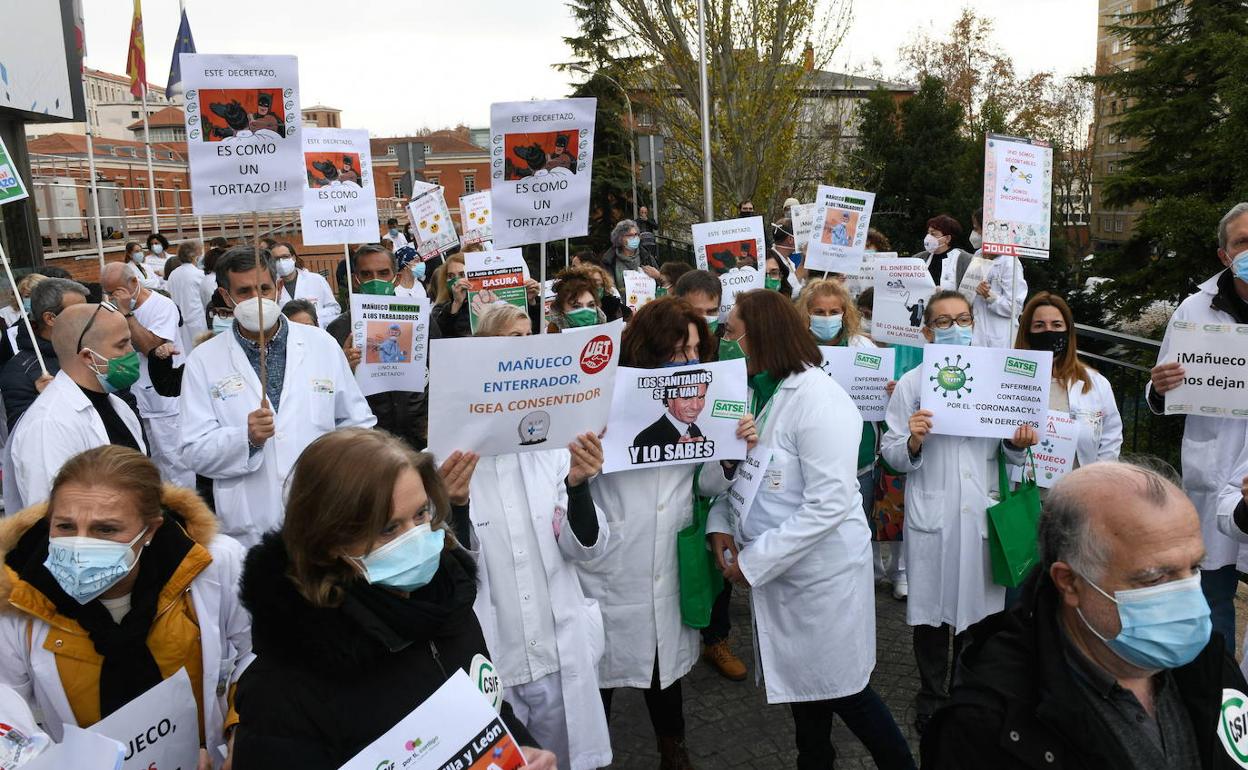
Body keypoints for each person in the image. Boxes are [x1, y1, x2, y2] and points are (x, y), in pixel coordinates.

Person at [230, 428, 556, 770]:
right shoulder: (282, 690)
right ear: (329, 540)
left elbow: (490, 711)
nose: (415, 538)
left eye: (420, 514)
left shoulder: (447, 601)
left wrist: (522, 751)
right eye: (389, 528)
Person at [922, 461, 1246, 770]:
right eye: (1154, 579)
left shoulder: (1209, 661)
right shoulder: (986, 728)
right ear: (1070, 582)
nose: (1186, 597)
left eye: (1194, 568)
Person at [709, 289, 915, 769]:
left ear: (757, 336)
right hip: (785, 576)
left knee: (846, 691)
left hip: (820, 580)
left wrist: (752, 563)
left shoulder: (820, 401)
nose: (725, 339)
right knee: (806, 695)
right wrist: (721, 523)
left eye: (731, 330)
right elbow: (743, 475)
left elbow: (828, 505)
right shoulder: (759, 393)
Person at [576, 297, 755, 768]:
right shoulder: (604, 399)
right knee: (600, 672)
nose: (688, 363)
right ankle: (590, 756)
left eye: (695, 352)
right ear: (648, 352)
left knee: (663, 670)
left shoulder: (704, 405)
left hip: (668, 555)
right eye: (676, 353)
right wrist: (584, 462)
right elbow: (573, 484)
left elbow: (708, 483)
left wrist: (733, 454)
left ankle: (672, 748)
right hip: (612, 558)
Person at [0, 445, 253, 768]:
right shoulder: (18, 595)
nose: (81, 545)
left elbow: (252, 654)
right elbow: (6, 704)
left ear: (150, 530)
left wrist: (239, 736)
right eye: (64, 527)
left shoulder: (213, 565)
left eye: (105, 530)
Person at [451, 303, 613, 770]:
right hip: (492, 656)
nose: (523, 352)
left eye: (530, 340)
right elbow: (452, 569)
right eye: (510, 342)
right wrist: (457, 504)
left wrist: (578, 487)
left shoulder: (555, 449)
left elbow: (585, 547)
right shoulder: (447, 458)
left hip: (558, 655)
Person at [880, 289, 1037, 734]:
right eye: (944, 322)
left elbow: (1009, 460)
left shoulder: (997, 380)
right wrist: (912, 440)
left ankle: (968, 693)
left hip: (979, 513)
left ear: (974, 324)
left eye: (963, 319)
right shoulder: (912, 384)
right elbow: (891, 455)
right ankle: (931, 694)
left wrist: (1015, 444)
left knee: (978, 613)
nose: (955, 328)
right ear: (927, 331)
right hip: (933, 510)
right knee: (930, 613)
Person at [179, 247, 375, 548]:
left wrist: (341, 478)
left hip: (323, 512)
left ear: (278, 287)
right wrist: (245, 439)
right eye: (244, 291)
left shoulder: (320, 344)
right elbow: (193, 450)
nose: (256, 300)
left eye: (264, 289)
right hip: (252, 523)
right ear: (225, 295)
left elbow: (357, 422)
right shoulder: (204, 360)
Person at [1147, 202, 1248, 648]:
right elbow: (1160, 390)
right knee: (1215, 601)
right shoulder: (1195, 309)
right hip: (1215, 474)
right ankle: (1220, 700)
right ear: (1225, 254)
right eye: (1242, 242)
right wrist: (1161, 387)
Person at [797, 279, 907, 598]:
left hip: (859, 461)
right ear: (806, 312)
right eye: (819, 311)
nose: (827, 317)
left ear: (846, 313)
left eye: (834, 311)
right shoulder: (793, 347)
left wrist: (890, 393)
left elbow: (880, 402)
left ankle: (865, 580)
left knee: (860, 526)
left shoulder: (862, 347)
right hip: (809, 458)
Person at [8, 303, 144, 511]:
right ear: (88, 356)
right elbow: (52, 514)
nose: (131, 352)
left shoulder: (118, 406)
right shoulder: (49, 425)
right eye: (122, 345)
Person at [100, 262, 194, 487]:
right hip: (133, 396)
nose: (112, 297)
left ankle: (185, 512)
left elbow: (151, 348)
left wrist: (127, 313)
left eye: (116, 291)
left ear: (133, 282)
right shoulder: (112, 310)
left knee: (174, 460)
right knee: (148, 461)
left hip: (163, 399)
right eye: (108, 292)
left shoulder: (162, 306)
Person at [326, 245, 427, 450]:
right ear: (356, 279)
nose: (375, 280)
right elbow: (326, 388)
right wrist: (342, 365)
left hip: (417, 433)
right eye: (366, 274)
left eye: (383, 273)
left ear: (396, 278)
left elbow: (438, 372)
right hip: (367, 439)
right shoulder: (339, 328)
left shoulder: (422, 319)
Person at [1014, 292, 1123, 471]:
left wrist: (1101, 477)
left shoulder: (1096, 383)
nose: (1049, 331)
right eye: (1039, 325)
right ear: (1027, 332)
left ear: (1068, 331)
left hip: (1078, 491)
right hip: (1023, 493)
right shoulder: (1008, 383)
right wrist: (1014, 445)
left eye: (1057, 325)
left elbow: (1110, 437)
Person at [0, 278, 87, 429]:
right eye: (78, 312)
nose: (87, 319)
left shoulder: (92, 348)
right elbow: (21, 433)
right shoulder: (20, 371)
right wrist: (43, 401)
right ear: (50, 318)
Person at [955, 209, 1027, 349]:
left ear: (988, 230)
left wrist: (990, 296)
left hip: (999, 338)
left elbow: (1015, 307)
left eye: (976, 229)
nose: (974, 234)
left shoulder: (1010, 262)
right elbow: (968, 293)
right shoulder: (978, 255)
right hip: (975, 333)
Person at [272, 242, 341, 329]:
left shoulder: (316, 280)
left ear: (293, 258)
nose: (281, 262)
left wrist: (312, 315)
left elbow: (334, 308)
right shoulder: (271, 286)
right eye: (276, 259)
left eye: (285, 257)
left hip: (315, 331)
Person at [168, 239, 208, 353]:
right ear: (194, 256)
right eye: (200, 253)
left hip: (180, 321)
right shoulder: (198, 274)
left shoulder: (173, 274)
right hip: (197, 321)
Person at [914, 215, 970, 291]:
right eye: (928, 233)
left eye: (933, 234)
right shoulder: (919, 258)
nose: (928, 237)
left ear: (947, 238)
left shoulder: (964, 259)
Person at [601, 219, 660, 291]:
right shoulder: (610, 260)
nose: (634, 238)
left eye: (636, 234)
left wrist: (658, 276)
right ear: (620, 238)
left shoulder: (647, 257)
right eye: (630, 235)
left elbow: (662, 284)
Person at [546, 267, 606, 332]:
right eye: (576, 306)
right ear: (561, 310)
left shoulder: (610, 337)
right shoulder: (547, 340)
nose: (586, 312)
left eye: (591, 305)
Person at [430, 253, 470, 338]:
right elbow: (438, 335)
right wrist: (456, 304)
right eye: (451, 276)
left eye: (462, 275)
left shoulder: (484, 302)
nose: (457, 280)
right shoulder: (440, 309)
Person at [769, 217, 802, 295]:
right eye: (798, 235)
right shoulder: (772, 262)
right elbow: (790, 291)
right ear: (790, 239)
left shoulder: (787, 259)